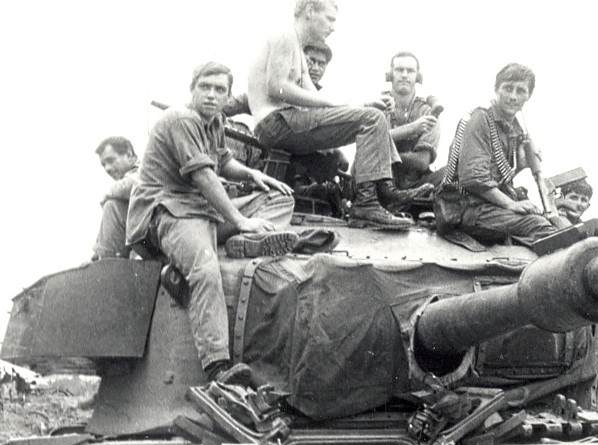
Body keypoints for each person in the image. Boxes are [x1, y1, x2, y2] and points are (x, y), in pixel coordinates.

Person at [127, 62, 298, 387]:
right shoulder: (180, 119)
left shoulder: (215, 120)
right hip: (168, 211)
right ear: (192, 88)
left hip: (202, 212)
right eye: (205, 87)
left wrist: (251, 174)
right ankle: (218, 366)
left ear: (227, 96)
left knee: (280, 198)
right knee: (206, 271)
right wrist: (239, 219)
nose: (211, 94)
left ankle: (240, 241)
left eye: (220, 89)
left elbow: (222, 160)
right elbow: (204, 176)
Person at [247, 0, 410, 228]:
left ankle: (384, 189)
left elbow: (315, 100)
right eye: (330, 19)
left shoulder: (297, 46)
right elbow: (277, 87)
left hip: (284, 123)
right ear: (310, 12)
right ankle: (366, 203)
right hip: (275, 123)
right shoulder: (284, 34)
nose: (333, 27)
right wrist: (347, 106)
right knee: (372, 118)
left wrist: (360, 105)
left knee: (372, 115)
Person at [435, 63, 557, 245]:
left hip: (485, 207)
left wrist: (520, 166)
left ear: (528, 96)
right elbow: (474, 179)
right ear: (496, 89)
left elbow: (494, 176)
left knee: (550, 221)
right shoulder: (480, 119)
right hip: (464, 208)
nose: (513, 97)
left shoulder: (513, 128)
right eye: (508, 89)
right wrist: (510, 204)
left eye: (520, 91)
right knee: (539, 226)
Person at [383, 51, 440, 194]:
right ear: (390, 75)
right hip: (380, 181)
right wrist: (413, 128)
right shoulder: (378, 105)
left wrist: (385, 154)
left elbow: (422, 161)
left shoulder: (428, 111)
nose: (404, 75)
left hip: (417, 185)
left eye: (410, 71)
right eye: (399, 70)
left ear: (418, 77)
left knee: (453, 173)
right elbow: (371, 143)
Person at [92, 136, 139, 259]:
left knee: (112, 206)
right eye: (104, 165)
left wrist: (106, 196)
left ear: (128, 154)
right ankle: (101, 258)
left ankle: (107, 262)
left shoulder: (145, 168)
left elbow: (133, 185)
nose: (107, 168)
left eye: (111, 160)